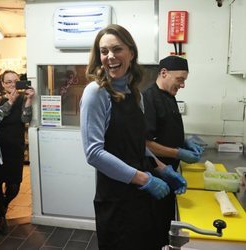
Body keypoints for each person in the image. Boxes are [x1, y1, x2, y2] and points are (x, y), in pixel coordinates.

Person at [80, 24, 187, 250]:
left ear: (131, 52)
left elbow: (138, 143)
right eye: (104, 51)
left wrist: (161, 168)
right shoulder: (96, 92)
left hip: (139, 194)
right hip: (116, 198)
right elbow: (94, 154)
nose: (110, 57)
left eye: (117, 49)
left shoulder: (133, 92)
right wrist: (145, 179)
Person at [142, 55, 204, 246]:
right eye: (180, 79)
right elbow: (145, 143)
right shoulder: (148, 98)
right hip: (157, 174)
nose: (182, 85)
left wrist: (185, 141)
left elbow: (166, 129)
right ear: (163, 73)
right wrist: (179, 153)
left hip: (170, 174)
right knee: (154, 226)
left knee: (165, 224)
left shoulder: (170, 96)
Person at [0, 70, 35, 235]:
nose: (12, 85)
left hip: (15, 149)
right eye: (8, 81)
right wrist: (9, 102)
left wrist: (29, 101)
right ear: (3, 84)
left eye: (15, 81)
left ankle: (3, 206)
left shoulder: (22, 99)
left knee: (14, 187)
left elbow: (25, 120)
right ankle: (2, 217)